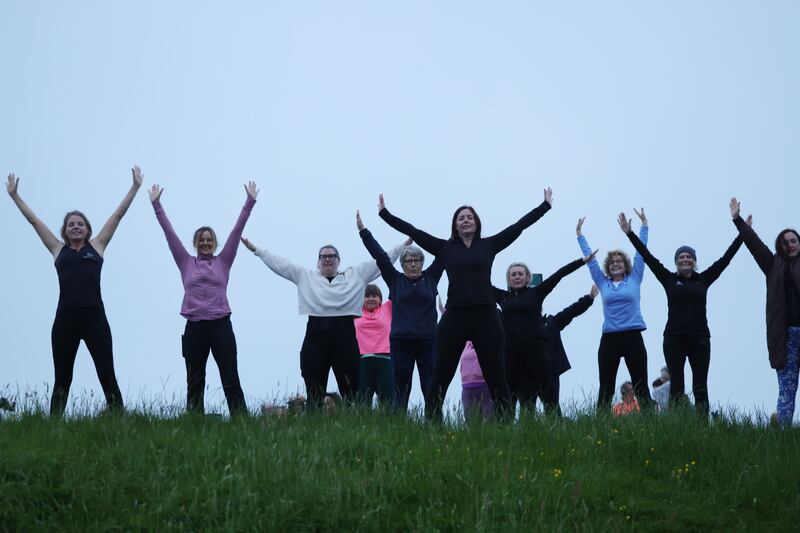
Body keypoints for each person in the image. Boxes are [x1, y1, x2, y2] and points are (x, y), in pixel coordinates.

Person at [378, 189, 554, 421]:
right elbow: (414, 232)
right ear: (455, 225)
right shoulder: (445, 248)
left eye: (469, 217)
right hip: (455, 315)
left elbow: (517, 227)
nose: (465, 220)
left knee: (496, 375)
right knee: (440, 374)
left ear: (477, 222)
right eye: (461, 218)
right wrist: (385, 214)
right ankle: (432, 423)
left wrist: (544, 206)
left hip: (486, 315)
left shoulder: (489, 245)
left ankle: (504, 425)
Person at [6, 168, 142, 415]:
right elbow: (34, 221)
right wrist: (15, 196)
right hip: (65, 320)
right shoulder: (58, 249)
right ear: (65, 230)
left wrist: (134, 188)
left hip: (95, 319)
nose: (76, 227)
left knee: (106, 373)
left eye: (80, 224)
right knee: (62, 377)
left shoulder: (97, 247)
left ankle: (120, 420)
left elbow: (118, 215)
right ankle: (54, 426)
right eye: (71, 224)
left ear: (88, 229)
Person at [241, 213, 407, 408]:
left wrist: (403, 245)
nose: (328, 259)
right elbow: (281, 264)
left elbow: (382, 261)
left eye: (332, 256)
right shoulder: (306, 276)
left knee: (351, 390)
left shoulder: (355, 275)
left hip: (344, 335)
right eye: (323, 257)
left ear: (339, 260)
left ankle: (353, 426)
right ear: (318, 262)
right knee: (314, 389)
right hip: (315, 335)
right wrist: (257, 250)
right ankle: (313, 422)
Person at [150, 181, 257, 415]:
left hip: (221, 325)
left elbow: (236, 230)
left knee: (230, 376)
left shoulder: (224, 260)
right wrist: (156, 205)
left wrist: (249, 202)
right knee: (195, 379)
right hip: (195, 327)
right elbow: (170, 235)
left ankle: (240, 420)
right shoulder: (186, 262)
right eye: (201, 240)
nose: (206, 242)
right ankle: (195, 422)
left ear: (215, 243)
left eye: (209, 239)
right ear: (196, 243)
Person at [625, 221, 744, 416]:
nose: (685, 259)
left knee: (700, 386)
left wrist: (742, 231)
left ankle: (702, 427)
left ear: (694, 261)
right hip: (674, 339)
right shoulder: (669, 279)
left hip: (700, 340)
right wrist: (630, 233)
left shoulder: (703, 279)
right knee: (677, 386)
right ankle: (677, 424)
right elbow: (648, 257)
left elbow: (726, 259)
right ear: (676, 261)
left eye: (689, 257)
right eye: (681, 257)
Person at [358, 211, 444, 411]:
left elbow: (445, 252)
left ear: (422, 263)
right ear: (402, 264)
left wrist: (458, 234)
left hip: (428, 341)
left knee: (430, 387)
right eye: (408, 261)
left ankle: (434, 427)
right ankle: (399, 427)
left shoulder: (431, 278)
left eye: (417, 260)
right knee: (400, 391)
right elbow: (379, 256)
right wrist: (364, 232)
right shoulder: (395, 280)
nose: (413, 264)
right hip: (400, 342)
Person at [493, 255, 594, 414]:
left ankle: (556, 423)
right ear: (508, 279)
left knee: (548, 392)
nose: (517, 277)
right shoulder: (502, 296)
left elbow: (559, 275)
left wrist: (581, 261)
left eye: (520, 274)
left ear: (528, 278)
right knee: (509, 394)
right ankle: (503, 430)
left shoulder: (536, 293)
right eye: (513, 274)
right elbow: (480, 282)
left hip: (536, 349)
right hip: (511, 350)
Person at [731, 197, 800, 426]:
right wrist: (738, 221)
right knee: (786, 390)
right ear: (779, 246)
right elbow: (755, 245)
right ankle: (783, 434)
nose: (790, 244)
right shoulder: (772, 265)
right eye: (785, 241)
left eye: (793, 240)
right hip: (786, 337)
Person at [577, 210, 652, 409]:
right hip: (610, 338)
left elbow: (641, 253)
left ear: (625, 265)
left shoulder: (635, 277)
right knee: (606, 387)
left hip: (633, 336)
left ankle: (650, 420)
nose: (615, 263)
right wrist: (580, 236)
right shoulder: (602, 282)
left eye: (619, 261)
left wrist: (643, 227)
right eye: (612, 262)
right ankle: (600, 422)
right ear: (607, 268)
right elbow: (590, 261)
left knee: (641, 385)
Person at [542, 284, 598, 407]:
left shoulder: (552, 322)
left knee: (552, 407)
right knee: (527, 406)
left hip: (550, 370)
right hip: (525, 370)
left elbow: (571, 311)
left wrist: (589, 298)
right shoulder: (515, 324)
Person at [354, 284, 394, 408]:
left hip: (384, 360)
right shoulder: (355, 312)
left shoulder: (387, 308)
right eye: (366, 296)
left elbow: (397, 290)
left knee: (387, 401)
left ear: (380, 299)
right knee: (363, 401)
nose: (371, 299)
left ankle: (388, 426)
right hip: (362, 360)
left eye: (374, 296)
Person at [459, 341, 494, 421]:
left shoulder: (487, 337)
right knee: (472, 426)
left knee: (491, 422)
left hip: (485, 388)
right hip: (467, 389)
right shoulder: (464, 342)